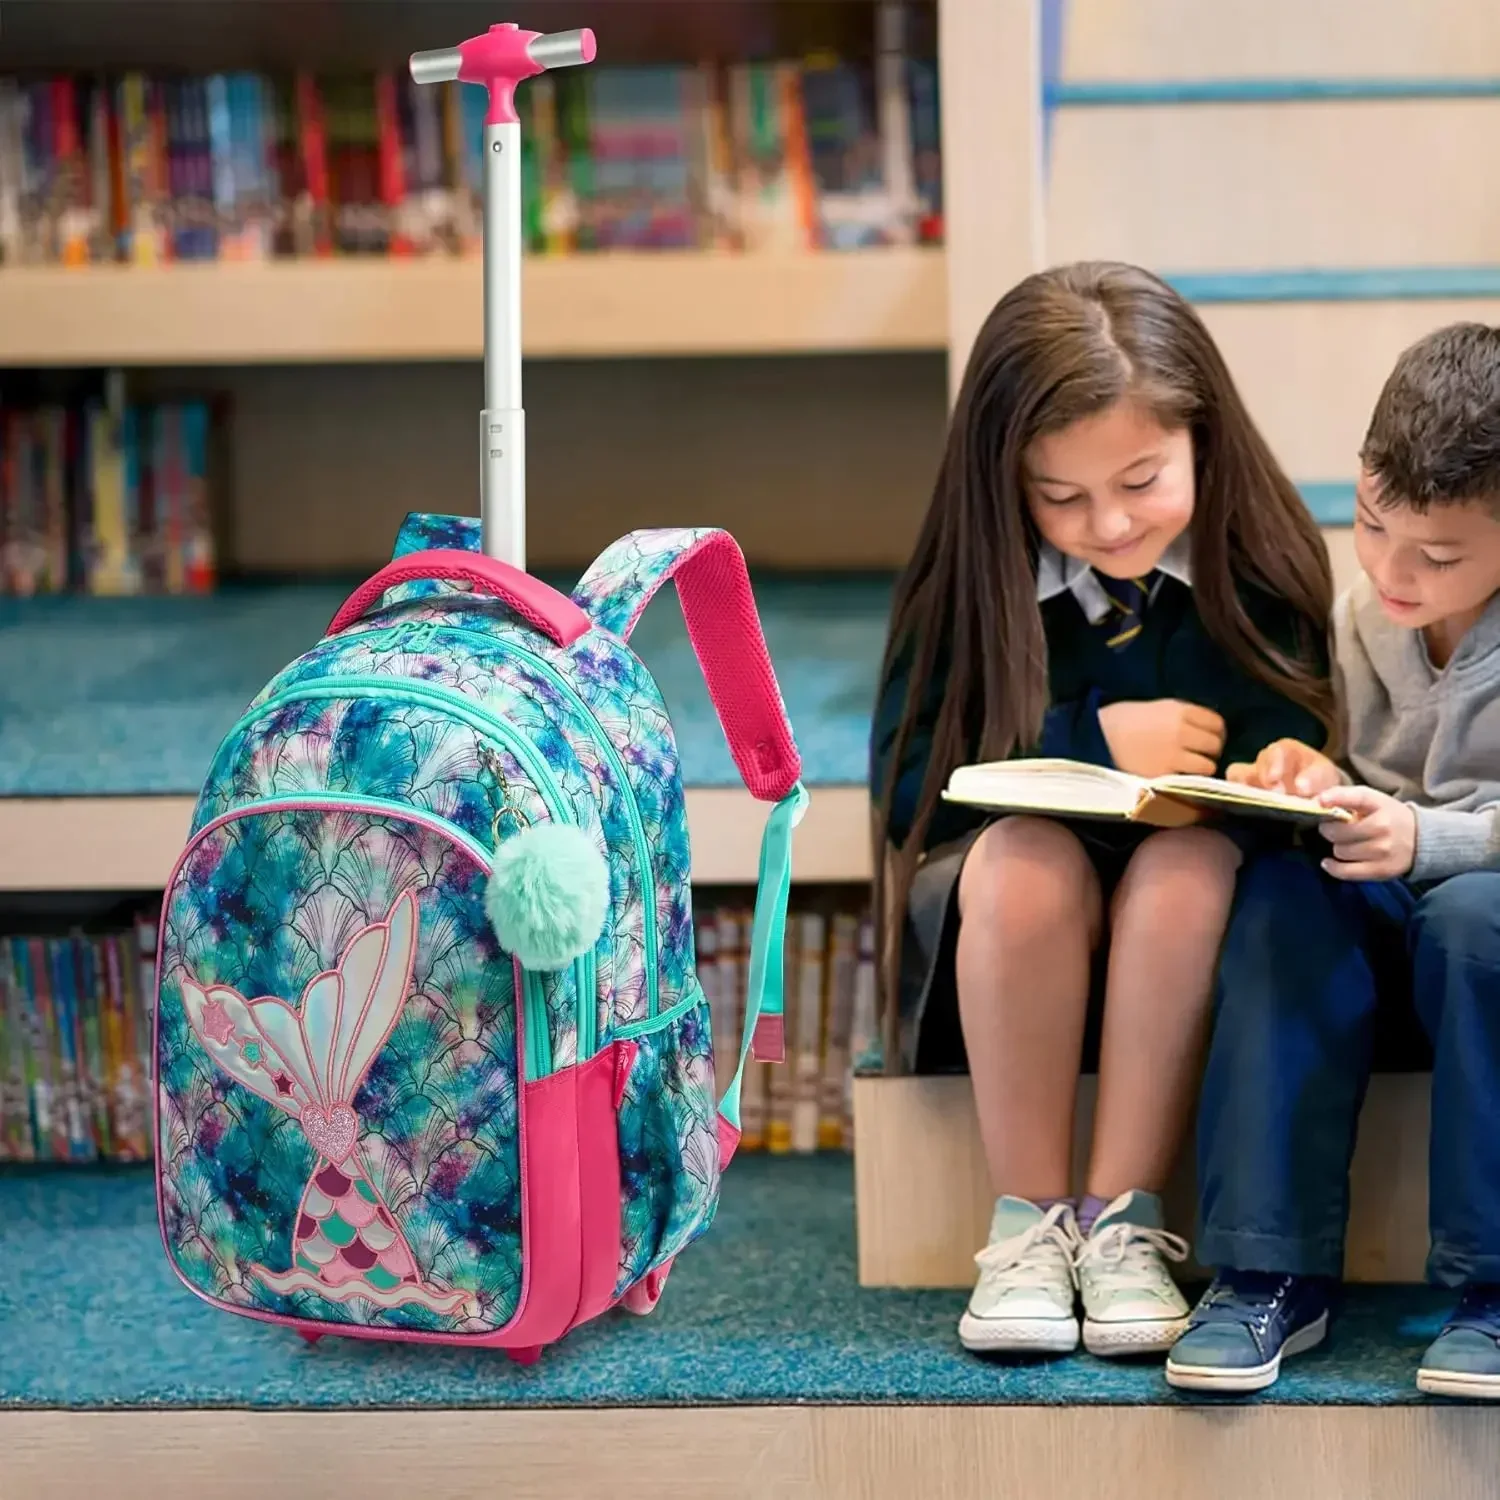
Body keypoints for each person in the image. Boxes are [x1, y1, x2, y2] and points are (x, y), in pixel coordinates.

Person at [869, 260, 1337, 1359]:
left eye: (1142, 481)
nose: (1112, 524)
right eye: (1063, 497)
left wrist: (1289, 770)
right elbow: (906, 788)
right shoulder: (966, 580)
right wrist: (1089, 744)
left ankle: (1124, 1221)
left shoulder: (1259, 566)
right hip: (1008, 915)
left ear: (1203, 442)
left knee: (1190, 869)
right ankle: (1029, 1225)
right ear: (1005, 482)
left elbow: (1298, 738)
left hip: (1191, 905)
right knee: (1030, 859)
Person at [1166, 322, 1500, 1398]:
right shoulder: (1367, 617)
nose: (1392, 572)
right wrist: (1312, 771)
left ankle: (1492, 1290)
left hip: (1479, 928)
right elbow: (1360, 770)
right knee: (1278, 895)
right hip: (1392, 910)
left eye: (1437, 557)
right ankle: (1268, 1270)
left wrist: (1430, 838)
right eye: (1369, 525)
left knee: (1476, 919)